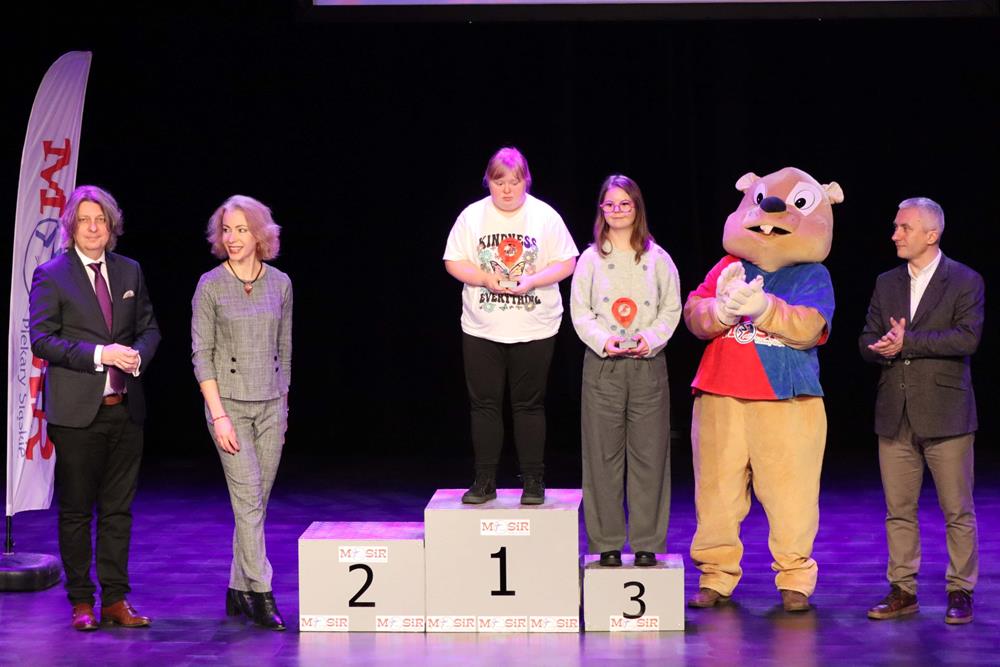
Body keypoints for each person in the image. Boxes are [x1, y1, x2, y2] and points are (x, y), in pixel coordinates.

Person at [29, 185, 161, 631]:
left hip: (125, 409)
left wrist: (137, 356)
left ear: (110, 226)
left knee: (118, 511)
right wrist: (102, 354)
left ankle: (116, 600)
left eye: (100, 220)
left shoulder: (130, 270)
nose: (92, 228)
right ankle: (82, 601)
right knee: (76, 511)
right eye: (84, 220)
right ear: (72, 226)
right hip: (76, 415)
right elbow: (43, 340)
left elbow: (149, 328)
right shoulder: (51, 275)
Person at [859, 197, 983, 625]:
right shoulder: (886, 282)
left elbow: (966, 338)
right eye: (896, 227)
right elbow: (866, 338)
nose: (895, 234)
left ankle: (960, 589)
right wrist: (879, 347)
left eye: (904, 228)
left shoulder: (965, 280)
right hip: (895, 412)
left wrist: (906, 342)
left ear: (932, 235)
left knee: (957, 510)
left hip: (946, 413)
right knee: (898, 510)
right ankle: (903, 590)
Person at [443, 147, 578, 505]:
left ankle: (533, 481)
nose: (506, 190)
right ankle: (485, 480)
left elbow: (567, 261)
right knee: (484, 405)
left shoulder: (544, 216)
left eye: (514, 182)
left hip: (535, 327)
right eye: (498, 182)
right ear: (488, 182)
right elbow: (453, 260)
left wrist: (533, 280)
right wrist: (484, 278)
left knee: (529, 405)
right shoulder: (472, 216)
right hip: (482, 328)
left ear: (525, 182)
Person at [191, 195, 292, 630]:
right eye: (227, 230)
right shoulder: (210, 285)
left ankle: (236, 587)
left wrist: (283, 404)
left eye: (241, 230)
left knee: (255, 504)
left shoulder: (280, 283)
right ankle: (261, 592)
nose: (232, 238)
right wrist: (218, 416)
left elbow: (284, 348)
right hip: (229, 406)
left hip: (270, 405)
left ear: (260, 235)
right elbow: (202, 355)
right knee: (249, 500)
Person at [570, 174, 681, 568]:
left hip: (647, 366)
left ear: (637, 209)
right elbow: (580, 311)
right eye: (610, 204)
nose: (617, 211)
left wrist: (651, 338)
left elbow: (671, 308)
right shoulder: (590, 259)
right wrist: (604, 341)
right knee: (602, 457)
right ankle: (607, 543)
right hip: (604, 366)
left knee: (650, 456)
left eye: (625, 204)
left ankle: (647, 541)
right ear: (601, 210)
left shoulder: (658, 258)